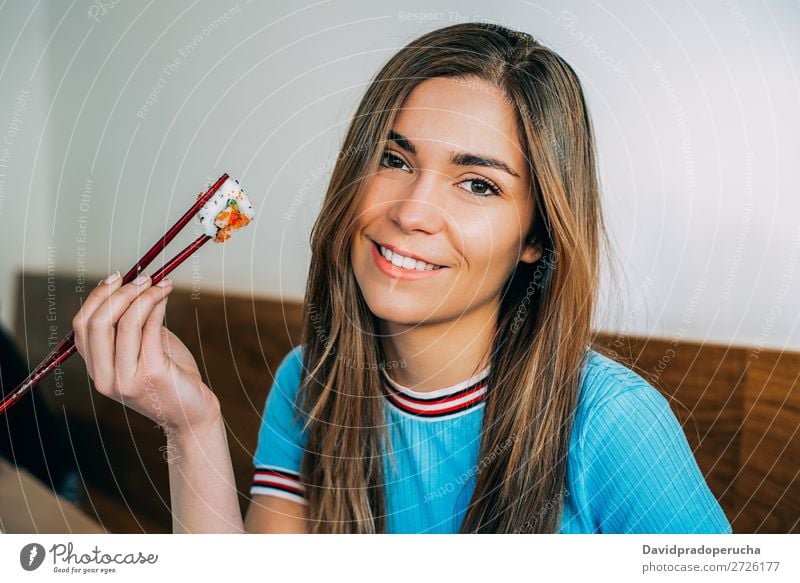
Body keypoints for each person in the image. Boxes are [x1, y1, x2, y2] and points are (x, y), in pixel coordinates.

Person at [71, 22, 732, 534]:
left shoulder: (613, 422)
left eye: (478, 183)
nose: (412, 212)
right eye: (394, 158)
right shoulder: (309, 382)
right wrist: (192, 425)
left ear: (537, 236)